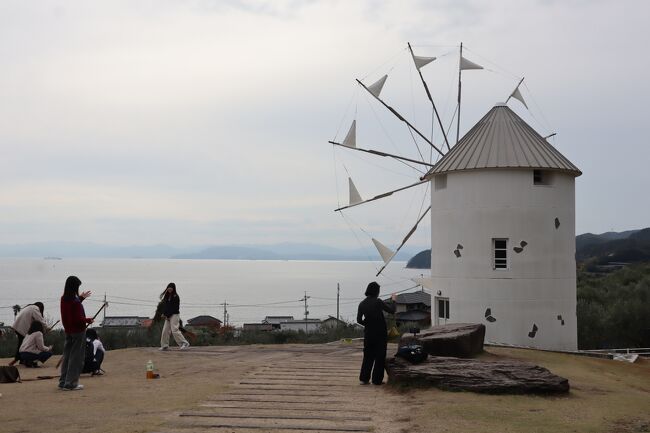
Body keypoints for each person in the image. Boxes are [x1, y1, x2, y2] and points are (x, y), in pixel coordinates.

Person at [356, 281, 396, 385]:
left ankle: (364, 379)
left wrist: (368, 323)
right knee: (380, 356)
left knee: (368, 356)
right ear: (376, 291)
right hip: (380, 334)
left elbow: (359, 320)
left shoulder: (362, 304)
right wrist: (394, 300)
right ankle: (377, 380)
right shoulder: (378, 302)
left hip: (368, 334)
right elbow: (392, 310)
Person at [59, 276, 93, 391]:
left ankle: (63, 381)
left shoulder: (64, 299)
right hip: (78, 332)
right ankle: (71, 383)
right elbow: (78, 318)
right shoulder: (75, 302)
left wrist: (81, 298)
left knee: (67, 356)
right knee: (76, 357)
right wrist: (87, 320)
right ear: (75, 287)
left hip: (68, 330)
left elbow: (70, 311)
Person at [9, 302, 47, 366]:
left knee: (22, 344)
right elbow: (40, 320)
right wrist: (46, 327)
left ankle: (22, 360)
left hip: (17, 327)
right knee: (25, 345)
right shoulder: (35, 309)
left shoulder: (29, 308)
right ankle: (20, 359)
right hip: (22, 329)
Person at [159, 282, 190, 351]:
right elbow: (166, 307)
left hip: (175, 315)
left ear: (173, 289)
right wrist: (164, 314)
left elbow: (175, 308)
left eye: (171, 288)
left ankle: (184, 343)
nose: (169, 289)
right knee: (165, 331)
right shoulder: (167, 296)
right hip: (168, 315)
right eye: (168, 288)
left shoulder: (176, 296)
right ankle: (164, 346)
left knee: (174, 330)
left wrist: (167, 315)